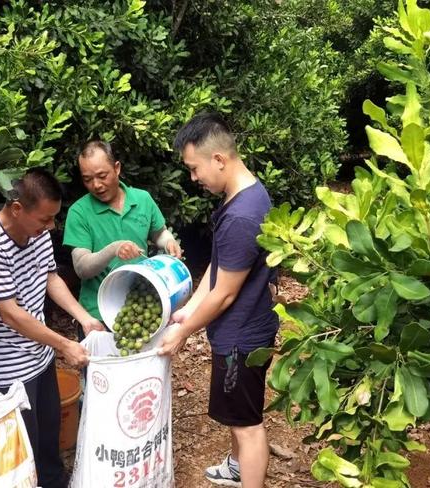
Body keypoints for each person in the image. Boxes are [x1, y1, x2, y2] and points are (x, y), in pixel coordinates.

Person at [159, 113, 279, 488]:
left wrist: (184, 332)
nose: (194, 178)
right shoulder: (248, 194)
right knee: (238, 414)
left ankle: (248, 475)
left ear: (219, 160)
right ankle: (236, 465)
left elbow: (225, 293)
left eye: (195, 169)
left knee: (247, 424)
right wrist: (189, 310)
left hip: (241, 340)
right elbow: (221, 266)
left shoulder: (242, 215)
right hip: (244, 329)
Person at [0, 168, 103, 488]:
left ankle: (56, 482)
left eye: (53, 218)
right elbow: (12, 315)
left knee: (49, 437)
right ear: (17, 209)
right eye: (45, 219)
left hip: (41, 358)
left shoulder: (37, 234)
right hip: (10, 369)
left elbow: (51, 277)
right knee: (23, 448)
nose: (51, 227)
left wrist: (84, 317)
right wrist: (64, 344)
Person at [63, 140, 182, 338]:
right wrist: (114, 249)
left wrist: (168, 242)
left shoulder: (142, 199)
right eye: (87, 179)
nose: (96, 185)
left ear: (117, 168)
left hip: (143, 306)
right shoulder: (79, 212)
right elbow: (82, 268)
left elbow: (158, 232)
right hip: (98, 315)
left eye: (102, 176)